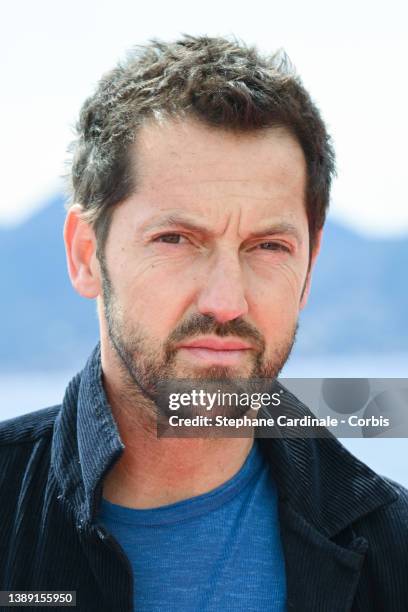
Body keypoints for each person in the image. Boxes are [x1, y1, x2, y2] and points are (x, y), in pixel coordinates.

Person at [0, 35, 407, 612]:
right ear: (87, 254)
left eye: (267, 246)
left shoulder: (396, 551)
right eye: (176, 239)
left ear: (310, 267)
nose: (225, 301)